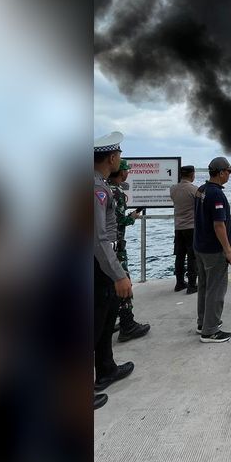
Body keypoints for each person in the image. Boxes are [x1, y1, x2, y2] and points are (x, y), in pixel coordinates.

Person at [92, 132, 135, 406]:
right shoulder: (95, 189)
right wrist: (119, 274)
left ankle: (106, 368)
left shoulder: (101, 185)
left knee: (106, 319)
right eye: (118, 155)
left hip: (101, 264)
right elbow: (98, 238)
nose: (120, 159)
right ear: (111, 157)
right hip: (97, 266)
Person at [194, 156, 231, 343]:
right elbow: (219, 225)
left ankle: (203, 322)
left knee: (204, 286)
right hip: (214, 250)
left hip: (200, 247)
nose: (229, 175)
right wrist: (228, 251)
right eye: (228, 171)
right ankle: (210, 331)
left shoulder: (201, 190)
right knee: (216, 289)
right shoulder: (216, 194)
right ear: (221, 173)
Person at [107, 160, 151, 342]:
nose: (128, 173)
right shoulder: (116, 192)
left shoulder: (103, 187)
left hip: (104, 247)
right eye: (126, 170)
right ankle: (127, 325)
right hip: (115, 246)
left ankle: (110, 322)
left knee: (108, 286)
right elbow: (118, 221)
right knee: (124, 283)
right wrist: (131, 217)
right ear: (121, 172)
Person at [169, 165, 199, 294]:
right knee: (192, 257)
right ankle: (192, 285)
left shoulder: (173, 189)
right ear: (192, 174)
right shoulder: (194, 190)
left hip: (178, 227)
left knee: (180, 256)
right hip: (191, 227)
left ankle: (179, 283)